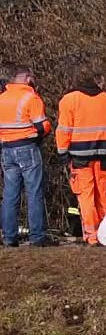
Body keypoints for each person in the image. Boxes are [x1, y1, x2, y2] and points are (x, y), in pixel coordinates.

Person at [56, 72, 106, 246]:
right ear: (98, 83)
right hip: (105, 155)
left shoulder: (69, 100)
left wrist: (63, 153)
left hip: (80, 156)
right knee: (104, 195)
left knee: (85, 196)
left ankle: (92, 235)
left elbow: (64, 129)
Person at [0, 67, 56, 246]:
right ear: (27, 78)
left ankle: (9, 237)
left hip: (6, 149)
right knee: (34, 192)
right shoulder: (31, 98)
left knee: (10, 194)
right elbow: (42, 125)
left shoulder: (2, 98)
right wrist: (46, 129)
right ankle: (37, 237)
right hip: (27, 147)